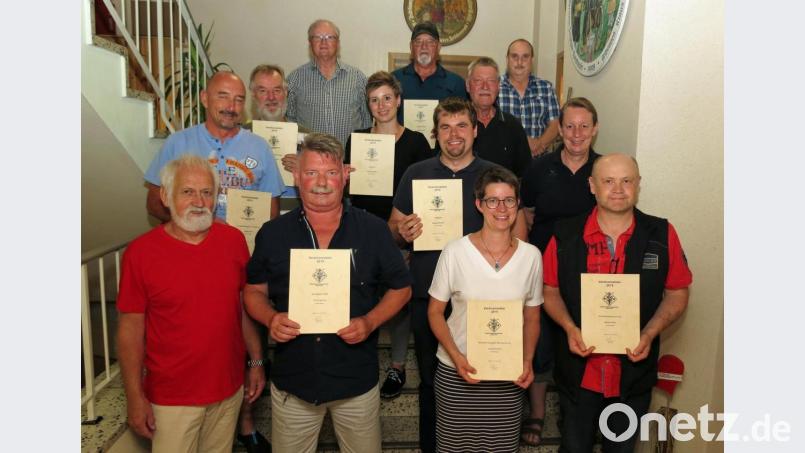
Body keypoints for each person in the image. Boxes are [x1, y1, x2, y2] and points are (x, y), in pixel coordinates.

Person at [243, 133, 412, 453]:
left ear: (345, 176)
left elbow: (401, 288)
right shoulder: (273, 233)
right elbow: (253, 291)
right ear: (295, 176)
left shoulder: (373, 230)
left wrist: (370, 322)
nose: (321, 182)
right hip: (294, 383)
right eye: (311, 173)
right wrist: (270, 317)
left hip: (355, 383)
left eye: (331, 172)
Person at [388, 97, 527, 453]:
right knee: (433, 379)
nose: (454, 134)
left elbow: (521, 236)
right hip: (428, 296)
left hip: (486, 301)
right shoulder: (416, 173)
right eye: (446, 127)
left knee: (489, 374)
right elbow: (392, 226)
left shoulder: (493, 175)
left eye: (461, 126)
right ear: (435, 132)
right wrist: (402, 230)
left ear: (475, 130)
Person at [542, 153, 692, 452]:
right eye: (608, 181)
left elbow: (678, 292)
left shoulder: (662, 234)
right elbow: (550, 290)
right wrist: (569, 327)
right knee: (574, 448)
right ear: (592, 186)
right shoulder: (564, 234)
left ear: (638, 185)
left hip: (633, 377)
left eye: (627, 181)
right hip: (578, 375)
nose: (619, 189)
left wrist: (649, 334)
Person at [117, 155, 266, 452]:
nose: (199, 201)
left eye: (207, 192)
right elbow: (130, 330)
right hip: (172, 400)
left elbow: (242, 309)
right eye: (187, 192)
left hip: (228, 391)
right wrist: (135, 396)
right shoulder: (140, 253)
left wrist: (257, 361)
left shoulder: (234, 241)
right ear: (165, 196)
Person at [427, 166, 543, 452]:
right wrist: (457, 358)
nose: (501, 208)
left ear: (518, 205)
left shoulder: (531, 256)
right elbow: (434, 312)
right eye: (492, 200)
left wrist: (527, 360)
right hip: (457, 375)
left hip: (507, 378)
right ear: (479, 204)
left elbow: (532, 317)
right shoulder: (454, 252)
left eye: (509, 200)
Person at [343, 71, 434, 399]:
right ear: (368, 105)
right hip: (361, 230)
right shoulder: (356, 140)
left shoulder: (416, 142)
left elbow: (424, 190)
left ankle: (397, 366)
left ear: (398, 100)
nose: (381, 105)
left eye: (386, 98)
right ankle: (356, 359)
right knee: (360, 296)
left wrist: (411, 234)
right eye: (374, 99)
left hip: (399, 234)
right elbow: (347, 189)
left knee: (397, 301)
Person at [518, 96, 602, 446]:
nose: (576, 133)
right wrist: (522, 258)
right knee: (540, 346)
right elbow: (525, 212)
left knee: (581, 346)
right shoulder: (540, 168)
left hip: (588, 274)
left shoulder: (604, 170)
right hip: (542, 267)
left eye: (584, 126)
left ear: (595, 130)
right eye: (569, 126)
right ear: (559, 130)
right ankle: (536, 413)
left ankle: (578, 416)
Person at [144, 71, 284, 223]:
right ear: (205, 99)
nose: (231, 107)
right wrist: (198, 224)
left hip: (242, 244)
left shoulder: (260, 147)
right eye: (223, 97)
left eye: (239, 100)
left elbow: (271, 211)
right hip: (190, 243)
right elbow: (154, 204)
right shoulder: (177, 143)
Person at [286, 19, 372, 145]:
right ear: (310, 43)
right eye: (317, 37)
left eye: (329, 37)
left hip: (349, 160)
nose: (323, 42)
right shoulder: (294, 79)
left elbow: (367, 122)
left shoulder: (358, 78)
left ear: (338, 43)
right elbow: (290, 123)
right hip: (311, 160)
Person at [246, 63, 311, 203]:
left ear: (286, 92)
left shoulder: (308, 138)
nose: (271, 97)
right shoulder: (240, 136)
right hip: (251, 217)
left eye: (277, 90)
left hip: (294, 218)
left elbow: (319, 184)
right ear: (253, 95)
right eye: (263, 91)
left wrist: (306, 171)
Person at [391, 21, 468, 125]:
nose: (424, 46)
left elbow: (462, 121)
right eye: (418, 42)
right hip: (401, 141)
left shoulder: (456, 83)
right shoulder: (394, 79)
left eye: (430, 42)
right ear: (411, 47)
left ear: (438, 47)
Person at [466, 57, 532, 177]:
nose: (485, 86)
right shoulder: (457, 125)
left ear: (498, 87)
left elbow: (525, 174)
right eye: (478, 81)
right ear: (468, 86)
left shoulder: (513, 126)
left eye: (491, 81)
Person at [499, 39, 560, 157]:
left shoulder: (546, 87)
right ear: (507, 59)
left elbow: (555, 123)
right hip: (504, 162)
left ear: (532, 60)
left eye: (525, 57)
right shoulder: (495, 87)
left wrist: (539, 144)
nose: (519, 62)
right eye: (514, 56)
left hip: (539, 161)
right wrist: (522, 141)